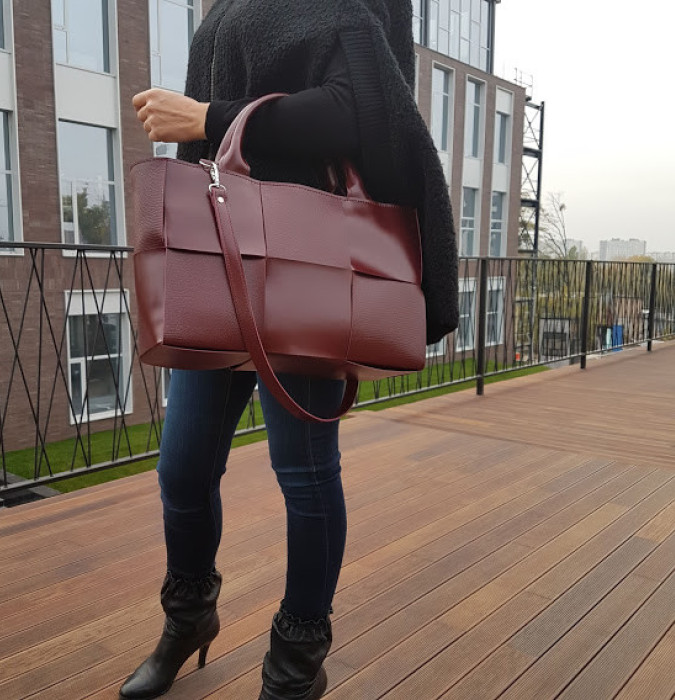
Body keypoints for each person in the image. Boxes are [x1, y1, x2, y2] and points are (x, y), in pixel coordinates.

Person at [123, 1, 458, 698]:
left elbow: (357, 110)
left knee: (304, 475)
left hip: (308, 265)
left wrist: (208, 118)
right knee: (182, 469)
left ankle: (297, 662)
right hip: (221, 262)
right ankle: (188, 616)